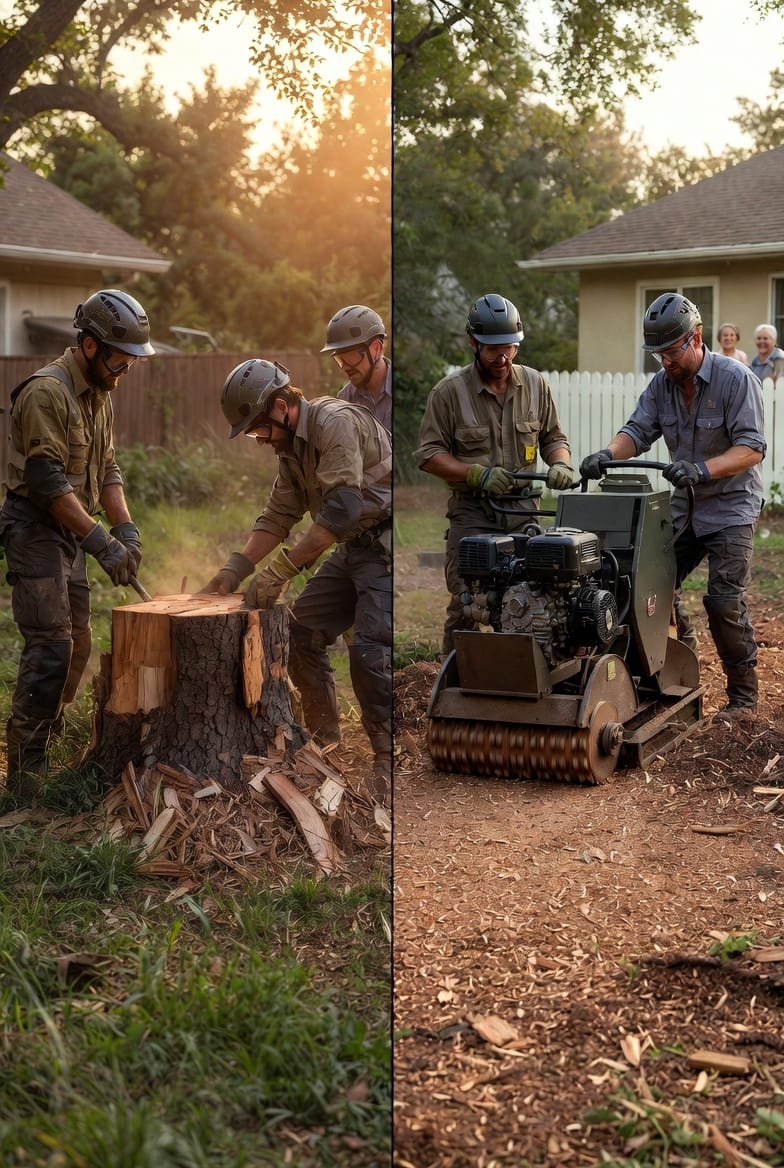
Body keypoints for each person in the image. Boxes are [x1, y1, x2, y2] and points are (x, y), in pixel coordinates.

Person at [199, 359, 393, 802]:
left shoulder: (334, 423)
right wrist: (234, 569)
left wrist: (283, 570)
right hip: (352, 546)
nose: (260, 440)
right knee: (302, 632)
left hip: (383, 544)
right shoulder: (291, 451)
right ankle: (327, 744)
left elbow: (341, 510)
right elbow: (278, 516)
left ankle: (386, 758)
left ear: (283, 406)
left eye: (258, 429)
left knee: (368, 649)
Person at [0, 289, 154, 802]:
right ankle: (25, 769)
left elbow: (105, 469)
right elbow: (47, 485)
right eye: (121, 357)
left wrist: (125, 529)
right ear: (90, 345)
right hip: (35, 528)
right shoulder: (47, 393)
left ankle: (49, 727)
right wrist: (99, 541)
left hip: (72, 527)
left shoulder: (100, 391)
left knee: (80, 641)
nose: (126, 368)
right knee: (51, 644)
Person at [580, 291, 766, 715]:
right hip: (685, 508)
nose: (664, 361)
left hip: (731, 509)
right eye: (657, 354)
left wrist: (702, 469)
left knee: (722, 599)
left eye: (671, 351)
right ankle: (678, 654)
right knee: (648, 583)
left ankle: (743, 697)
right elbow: (637, 430)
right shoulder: (661, 386)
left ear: (696, 338)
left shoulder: (735, 379)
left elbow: (753, 447)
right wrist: (608, 454)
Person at [415, 292, 574, 656]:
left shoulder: (535, 385)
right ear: (473, 343)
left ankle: (529, 678)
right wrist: (475, 474)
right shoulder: (449, 394)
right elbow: (428, 454)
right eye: (493, 350)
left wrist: (560, 462)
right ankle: (453, 679)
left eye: (510, 349)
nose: (503, 358)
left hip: (525, 514)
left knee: (537, 600)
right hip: (473, 514)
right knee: (469, 603)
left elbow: (553, 437)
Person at [320, 305, 391, 430]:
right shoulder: (345, 400)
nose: (345, 367)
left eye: (350, 358)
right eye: (340, 359)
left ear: (376, 349)